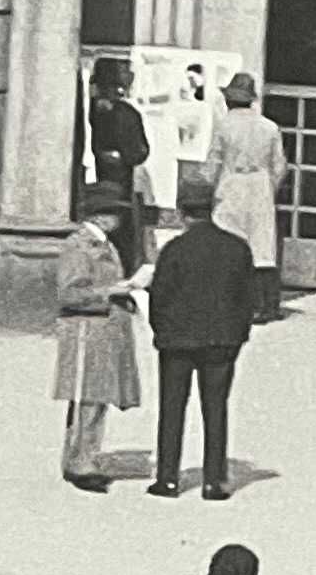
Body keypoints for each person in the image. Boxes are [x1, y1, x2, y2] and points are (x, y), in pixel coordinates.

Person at [144, 170, 255, 501]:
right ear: (213, 208)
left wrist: (162, 331)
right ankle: (214, 481)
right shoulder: (237, 248)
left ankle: (167, 478)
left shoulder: (174, 250)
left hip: (177, 340)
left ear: (182, 211)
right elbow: (247, 298)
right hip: (221, 340)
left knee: (172, 408)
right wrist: (237, 336)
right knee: (215, 408)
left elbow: (159, 297)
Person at [52, 186, 141, 491]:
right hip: (86, 330)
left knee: (98, 397)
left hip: (102, 330)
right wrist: (111, 292)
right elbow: (69, 293)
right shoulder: (79, 246)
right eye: (115, 213)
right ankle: (79, 462)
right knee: (87, 396)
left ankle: (84, 456)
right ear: (102, 216)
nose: (119, 219)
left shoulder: (102, 243)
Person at [209, 72, 286, 326]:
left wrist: (212, 187)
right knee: (262, 245)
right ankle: (265, 304)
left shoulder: (223, 125)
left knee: (229, 238)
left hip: (232, 182)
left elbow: (214, 161)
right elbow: (279, 165)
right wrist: (270, 188)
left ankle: (230, 301)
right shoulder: (268, 127)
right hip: (260, 183)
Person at [84, 60, 151, 270]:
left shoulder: (91, 110)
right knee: (118, 230)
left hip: (107, 181)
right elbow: (140, 152)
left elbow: (139, 152)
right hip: (118, 183)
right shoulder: (126, 113)